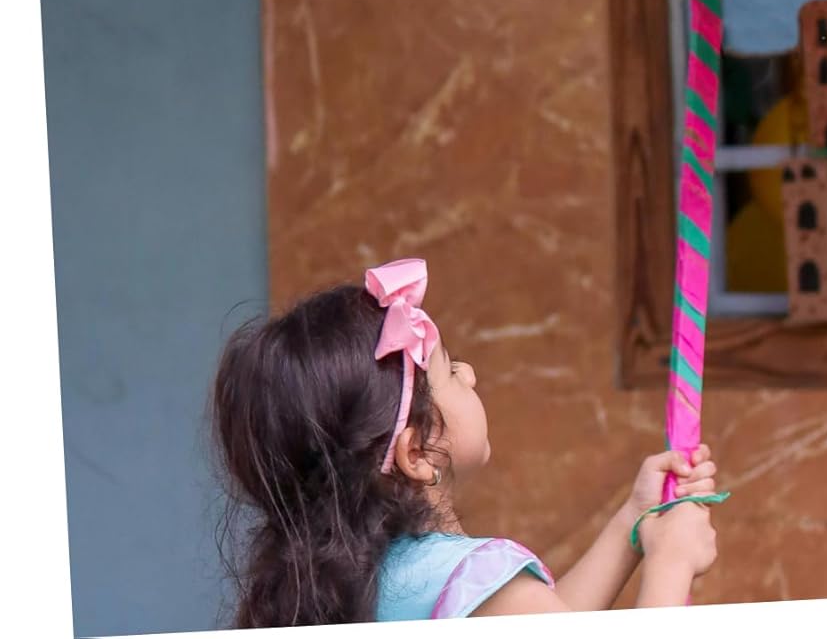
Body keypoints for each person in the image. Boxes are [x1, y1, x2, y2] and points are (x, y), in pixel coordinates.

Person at [212, 257, 720, 625]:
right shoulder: (477, 575)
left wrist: (632, 519)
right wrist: (671, 563)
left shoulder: (350, 585)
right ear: (416, 452)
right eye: (450, 372)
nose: (470, 374)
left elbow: (547, 619)